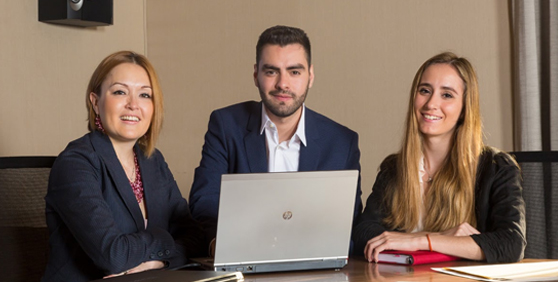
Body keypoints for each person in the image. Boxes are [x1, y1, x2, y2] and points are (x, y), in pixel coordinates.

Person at [188, 25, 363, 251]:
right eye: (271, 71)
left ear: (310, 76)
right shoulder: (225, 125)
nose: (282, 84)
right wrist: (220, 245)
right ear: (256, 75)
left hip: (315, 267)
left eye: (294, 72)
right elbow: (205, 200)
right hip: (243, 258)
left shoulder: (341, 142)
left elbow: (348, 221)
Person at [42, 51, 204, 282]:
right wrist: (162, 238)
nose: (133, 105)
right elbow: (113, 256)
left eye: (145, 95)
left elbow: (195, 238)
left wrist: (160, 261)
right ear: (96, 102)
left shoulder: (153, 161)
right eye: (120, 92)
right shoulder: (75, 163)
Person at [353, 52, 526, 263]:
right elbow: (363, 233)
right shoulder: (395, 168)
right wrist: (439, 236)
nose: (431, 104)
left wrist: (420, 242)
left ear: (464, 109)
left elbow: (511, 244)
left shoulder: (497, 167)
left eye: (447, 95)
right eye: (425, 91)